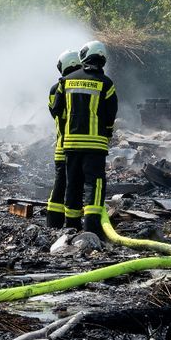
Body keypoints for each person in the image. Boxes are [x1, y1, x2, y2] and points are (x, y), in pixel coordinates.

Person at [50, 40, 119, 241]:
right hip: (95, 145)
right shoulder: (106, 83)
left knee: (73, 184)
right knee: (94, 184)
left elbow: (56, 110)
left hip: (70, 144)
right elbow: (110, 113)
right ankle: (92, 228)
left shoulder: (66, 81)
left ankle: (70, 227)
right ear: (102, 58)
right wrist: (107, 132)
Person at [44, 48, 82, 230]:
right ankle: (72, 224)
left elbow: (54, 111)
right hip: (77, 148)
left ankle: (53, 223)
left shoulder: (57, 88)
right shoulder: (78, 87)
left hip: (62, 146)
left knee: (60, 185)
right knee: (73, 186)